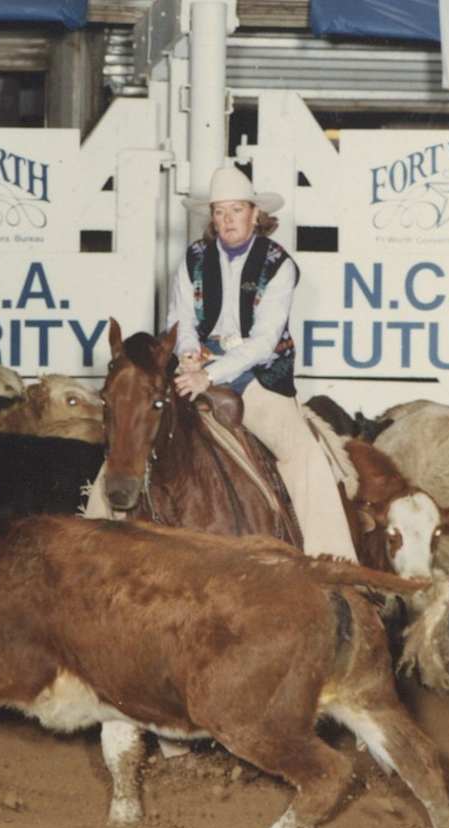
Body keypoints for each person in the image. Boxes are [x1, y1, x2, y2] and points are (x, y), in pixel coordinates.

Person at [168, 165, 357, 561]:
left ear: (256, 214)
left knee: (301, 452)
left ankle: (332, 559)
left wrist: (209, 375)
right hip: (198, 365)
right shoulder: (194, 258)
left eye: (236, 210)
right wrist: (186, 352)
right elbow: (181, 317)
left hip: (257, 373)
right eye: (219, 212)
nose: (227, 220)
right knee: (140, 419)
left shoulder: (278, 264)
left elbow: (263, 342)